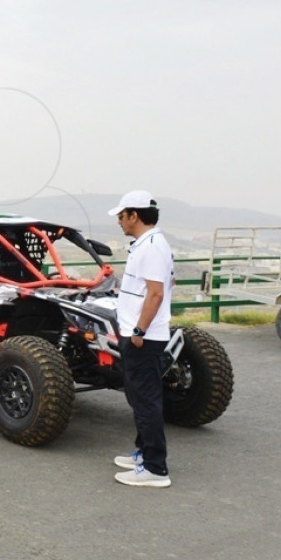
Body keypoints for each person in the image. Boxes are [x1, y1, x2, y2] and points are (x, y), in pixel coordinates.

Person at [108, 190, 175, 488]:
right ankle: (143, 453)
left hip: (143, 337)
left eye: (122, 216)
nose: (120, 222)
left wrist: (139, 331)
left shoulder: (152, 248)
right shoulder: (145, 244)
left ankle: (155, 468)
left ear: (134, 215)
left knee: (145, 400)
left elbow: (156, 293)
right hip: (138, 333)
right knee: (139, 398)